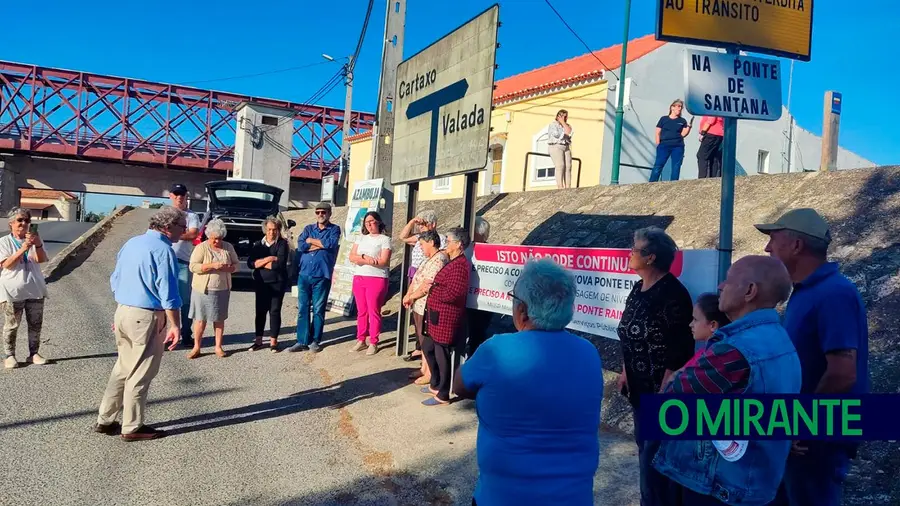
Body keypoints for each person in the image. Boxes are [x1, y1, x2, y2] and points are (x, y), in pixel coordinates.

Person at [453, 258, 603, 505]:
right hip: (573, 497)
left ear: (522, 310)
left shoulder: (497, 349)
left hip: (503, 497)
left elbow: (459, 386)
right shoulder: (588, 352)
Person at [653, 256, 801, 506]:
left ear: (750, 291)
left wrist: (676, 376)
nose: (721, 285)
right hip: (755, 480)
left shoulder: (733, 350)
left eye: (729, 280)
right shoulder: (780, 338)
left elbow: (670, 406)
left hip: (722, 486)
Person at [756, 208, 869, 506]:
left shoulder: (834, 293)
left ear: (796, 245)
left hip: (817, 440)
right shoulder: (807, 291)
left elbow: (844, 373)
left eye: (773, 240)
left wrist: (802, 423)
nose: (767, 248)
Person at [616, 226, 694, 506]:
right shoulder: (638, 288)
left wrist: (665, 392)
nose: (630, 253)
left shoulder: (673, 294)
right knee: (645, 454)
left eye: (635, 249)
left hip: (661, 394)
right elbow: (628, 332)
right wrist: (626, 369)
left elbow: (681, 348)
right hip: (639, 387)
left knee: (657, 460)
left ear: (650, 258)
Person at [95, 206, 184, 441]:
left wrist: (122, 308)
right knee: (141, 371)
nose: (183, 232)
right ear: (168, 227)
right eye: (181, 227)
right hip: (146, 315)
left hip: (124, 310)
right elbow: (169, 292)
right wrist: (175, 325)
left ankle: (106, 418)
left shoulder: (132, 243)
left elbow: (115, 278)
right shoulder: (163, 251)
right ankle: (132, 426)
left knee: (123, 367)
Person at [420, 227, 470, 406]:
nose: (446, 244)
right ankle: (435, 382)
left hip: (446, 317)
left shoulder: (460, 265)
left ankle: (443, 393)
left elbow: (454, 293)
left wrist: (434, 289)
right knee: (428, 348)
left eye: (449, 241)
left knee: (442, 354)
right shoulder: (452, 261)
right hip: (437, 316)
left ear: (458, 244)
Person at [287, 202, 341, 353]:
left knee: (318, 309)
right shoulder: (308, 228)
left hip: (322, 275)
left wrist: (311, 241)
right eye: (317, 212)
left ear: (329, 213)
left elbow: (331, 244)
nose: (320, 215)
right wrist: (318, 244)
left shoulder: (335, 229)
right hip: (304, 273)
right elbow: (302, 246)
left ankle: (315, 340)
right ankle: (301, 340)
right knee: (303, 308)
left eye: (323, 212)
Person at [0, 208, 50, 369]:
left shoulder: (35, 239)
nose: (24, 223)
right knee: (11, 325)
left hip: (35, 290)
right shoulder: (4, 242)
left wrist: (38, 244)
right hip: (12, 292)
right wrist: (23, 247)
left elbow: (41, 259)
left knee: (35, 324)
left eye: (27, 221)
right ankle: (9, 356)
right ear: (11, 223)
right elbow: (6, 264)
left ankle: (33, 353)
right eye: (20, 220)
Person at [186, 218, 238, 359]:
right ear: (209, 236)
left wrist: (229, 268)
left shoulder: (228, 247)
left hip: (222, 289)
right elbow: (193, 266)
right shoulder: (201, 247)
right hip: (202, 290)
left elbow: (236, 264)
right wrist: (211, 266)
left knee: (219, 319)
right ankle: (197, 347)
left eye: (219, 238)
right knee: (200, 319)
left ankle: (218, 347)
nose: (217, 241)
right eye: (214, 239)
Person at [402, 230, 448, 385]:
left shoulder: (439, 259)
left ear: (431, 243)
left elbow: (427, 284)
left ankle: (430, 373)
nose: (420, 247)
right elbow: (416, 279)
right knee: (422, 340)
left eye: (422, 244)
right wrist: (409, 294)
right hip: (418, 304)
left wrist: (411, 296)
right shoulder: (428, 259)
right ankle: (424, 368)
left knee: (427, 342)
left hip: (426, 305)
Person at [399, 210, 445, 361]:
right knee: (415, 313)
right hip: (415, 274)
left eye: (423, 224)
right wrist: (412, 221)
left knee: (424, 315)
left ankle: (424, 352)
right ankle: (419, 348)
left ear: (433, 224)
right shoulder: (419, 238)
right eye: (420, 225)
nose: (421, 228)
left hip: (429, 274)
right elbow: (402, 237)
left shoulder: (439, 239)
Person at [348, 211, 392, 356]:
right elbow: (352, 256)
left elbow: (383, 261)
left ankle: (374, 341)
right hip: (360, 277)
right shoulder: (360, 238)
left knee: (374, 310)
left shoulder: (384, 239)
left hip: (376, 278)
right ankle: (361, 339)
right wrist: (365, 258)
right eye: (367, 222)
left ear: (378, 222)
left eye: (372, 221)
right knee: (362, 311)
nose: (369, 224)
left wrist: (364, 260)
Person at [248, 217, 290, 352]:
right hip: (261, 283)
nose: (272, 232)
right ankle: (258, 340)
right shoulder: (257, 244)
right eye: (269, 229)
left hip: (278, 282)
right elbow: (251, 263)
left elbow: (279, 265)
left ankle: (273, 342)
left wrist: (260, 263)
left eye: (275, 230)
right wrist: (269, 258)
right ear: (265, 230)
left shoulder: (282, 244)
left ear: (278, 230)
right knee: (260, 311)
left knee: (274, 311)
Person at [168, 183, 201, 348]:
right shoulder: (165, 214)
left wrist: (172, 233)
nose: (179, 197)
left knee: (185, 300)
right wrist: (182, 234)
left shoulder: (192, 216)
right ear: (171, 196)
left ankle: (186, 335)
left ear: (186, 197)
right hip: (165, 261)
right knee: (164, 298)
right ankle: (167, 335)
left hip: (183, 262)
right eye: (176, 194)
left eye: (182, 194)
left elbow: (193, 234)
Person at [465, 216, 494, 357]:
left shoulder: (491, 252)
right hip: (465, 297)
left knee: (477, 334)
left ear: (481, 234)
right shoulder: (465, 248)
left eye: (473, 232)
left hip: (481, 301)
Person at [650, 99, 693, 183]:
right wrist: (658, 144)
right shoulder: (663, 119)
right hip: (664, 145)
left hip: (678, 146)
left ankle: (674, 183)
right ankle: (652, 182)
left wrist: (689, 127)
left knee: (676, 166)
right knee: (659, 164)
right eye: (678, 106)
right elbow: (657, 132)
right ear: (672, 107)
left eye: (681, 107)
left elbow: (683, 134)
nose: (680, 109)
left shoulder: (682, 121)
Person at [547, 109, 574, 189]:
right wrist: (562, 123)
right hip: (556, 146)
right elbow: (557, 135)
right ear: (558, 116)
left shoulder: (566, 125)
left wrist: (563, 124)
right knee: (560, 166)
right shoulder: (553, 125)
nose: (565, 119)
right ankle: (560, 186)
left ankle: (568, 186)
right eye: (563, 117)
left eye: (566, 117)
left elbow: (569, 131)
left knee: (568, 166)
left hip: (566, 146)